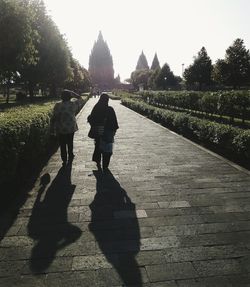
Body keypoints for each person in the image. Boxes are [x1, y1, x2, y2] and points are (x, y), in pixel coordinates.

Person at [51, 89, 83, 167]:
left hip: (61, 128)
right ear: (70, 96)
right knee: (70, 142)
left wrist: (52, 128)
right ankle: (71, 155)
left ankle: (64, 159)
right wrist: (72, 92)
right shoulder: (73, 104)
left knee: (62, 144)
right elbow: (80, 98)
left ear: (61, 97)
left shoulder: (58, 105)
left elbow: (54, 117)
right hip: (71, 127)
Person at [87, 93, 119, 171]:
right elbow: (114, 122)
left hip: (98, 131)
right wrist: (114, 131)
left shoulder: (96, 107)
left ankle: (98, 161)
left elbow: (91, 118)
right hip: (108, 132)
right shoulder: (110, 109)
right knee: (107, 148)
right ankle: (105, 165)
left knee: (98, 146)